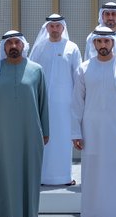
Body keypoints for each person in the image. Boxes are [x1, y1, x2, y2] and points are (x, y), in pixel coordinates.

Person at [72, 26, 116, 217]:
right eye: (99, 42)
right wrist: (76, 132)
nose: (103, 45)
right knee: (93, 176)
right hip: (91, 132)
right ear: (94, 44)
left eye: (106, 41)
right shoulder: (84, 68)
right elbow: (76, 104)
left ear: (113, 43)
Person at [0, 31, 50, 217]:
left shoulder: (36, 70)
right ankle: (2, 216)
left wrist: (45, 130)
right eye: (9, 43)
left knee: (29, 173)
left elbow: (43, 103)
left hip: (30, 133)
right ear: (4, 47)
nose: (13, 46)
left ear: (23, 46)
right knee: (2, 173)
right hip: (0, 133)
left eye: (17, 43)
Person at [29, 13, 81, 186]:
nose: (55, 29)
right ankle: (43, 177)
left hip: (66, 104)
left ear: (63, 28)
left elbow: (78, 77)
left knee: (64, 139)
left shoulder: (72, 48)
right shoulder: (39, 48)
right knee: (45, 139)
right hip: (43, 102)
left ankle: (64, 177)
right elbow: (31, 74)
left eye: (58, 26)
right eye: (51, 26)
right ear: (47, 28)